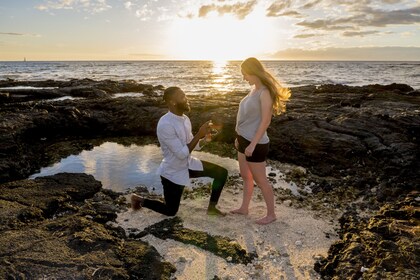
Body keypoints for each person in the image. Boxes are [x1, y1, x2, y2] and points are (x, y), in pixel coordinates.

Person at [131, 86, 227, 217]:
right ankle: (139, 200)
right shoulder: (165, 124)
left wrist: (205, 138)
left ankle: (212, 208)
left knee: (221, 173)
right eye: (183, 96)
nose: (187, 99)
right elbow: (181, 154)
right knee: (171, 211)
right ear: (172, 102)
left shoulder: (185, 119)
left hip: (189, 164)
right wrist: (199, 134)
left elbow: (194, 145)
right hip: (173, 171)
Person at [231, 57, 291, 225]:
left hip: (255, 143)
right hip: (243, 140)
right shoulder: (253, 90)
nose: (244, 78)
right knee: (245, 176)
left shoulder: (264, 92)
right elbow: (245, 118)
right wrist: (238, 138)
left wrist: (252, 144)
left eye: (245, 74)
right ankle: (244, 208)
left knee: (261, 180)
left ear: (253, 72)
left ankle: (271, 214)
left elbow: (266, 121)